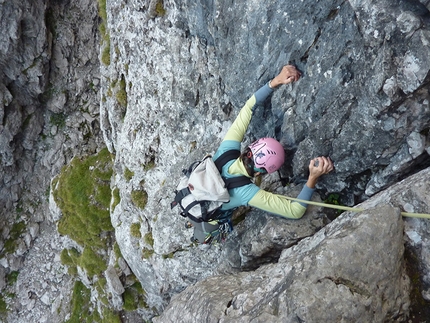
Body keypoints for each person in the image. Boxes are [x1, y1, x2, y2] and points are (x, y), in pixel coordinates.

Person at [191, 65, 334, 243]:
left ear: (249, 148)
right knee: (218, 224)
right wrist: (313, 177)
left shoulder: (226, 151)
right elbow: (295, 211)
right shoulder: (247, 192)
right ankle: (210, 232)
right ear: (260, 173)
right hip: (208, 214)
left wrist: (277, 80)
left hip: (193, 191)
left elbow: (247, 108)